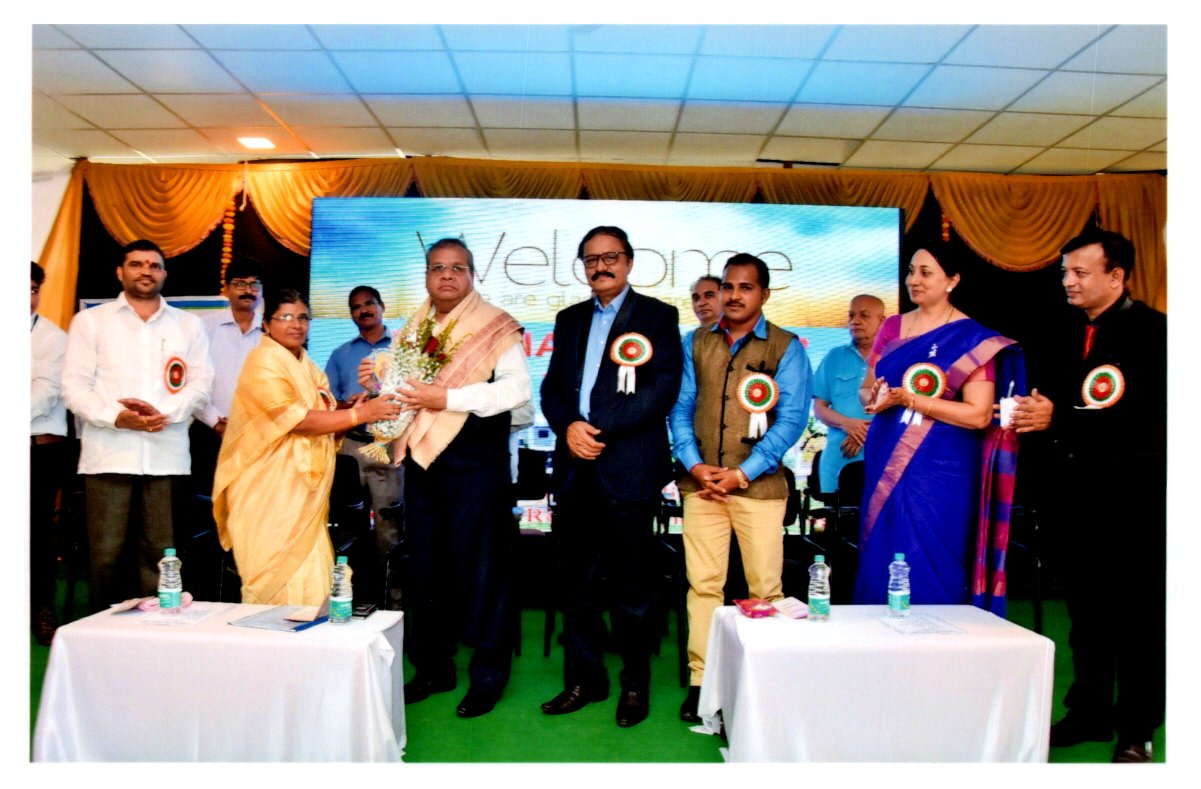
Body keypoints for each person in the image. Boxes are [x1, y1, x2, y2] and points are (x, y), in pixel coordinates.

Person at [1009, 228, 1165, 763]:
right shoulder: (1059, 331)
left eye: (1080, 272)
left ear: (1116, 276)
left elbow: (1152, 421)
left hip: (1135, 505)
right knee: (1087, 617)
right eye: (1064, 272)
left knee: (1139, 622)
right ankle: (1089, 712)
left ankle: (1137, 729)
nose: (1068, 282)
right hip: (1072, 504)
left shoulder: (1157, 334)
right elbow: (1049, 409)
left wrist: (1060, 420)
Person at [358, 238, 530, 719]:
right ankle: (434, 667)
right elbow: (405, 393)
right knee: (427, 568)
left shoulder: (495, 325)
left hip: (477, 463)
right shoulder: (414, 327)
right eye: (438, 268)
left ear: (472, 275)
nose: (447, 275)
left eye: (457, 268)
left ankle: (488, 676)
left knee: (483, 571)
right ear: (427, 276)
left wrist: (448, 399)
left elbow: (517, 389)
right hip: (423, 463)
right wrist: (379, 388)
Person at [539, 225, 683, 728]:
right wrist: (569, 425)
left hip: (630, 468)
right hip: (576, 468)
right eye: (591, 259)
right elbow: (553, 389)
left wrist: (596, 429)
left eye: (610, 257)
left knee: (633, 587)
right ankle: (585, 680)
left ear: (629, 261)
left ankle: (635, 685)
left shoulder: (658, 316)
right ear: (583, 266)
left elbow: (662, 390)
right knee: (577, 584)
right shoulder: (570, 318)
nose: (601, 267)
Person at [669, 253, 812, 723]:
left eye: (745, 287)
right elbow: (681, 407)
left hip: (758, 489)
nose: (733, 295)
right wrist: (695, 464)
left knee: (765, 589)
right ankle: (701, 681)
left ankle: (765, 680)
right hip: (702, 487)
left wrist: (742, 473)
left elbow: (791, 420)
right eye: (728, 286)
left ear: (764, 294)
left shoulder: (787, 347)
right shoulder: (696, 342)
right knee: (703, 586)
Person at [852, 246, 1023, 611]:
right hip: (885, 450)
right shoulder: (892, 327)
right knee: (882, 548)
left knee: (930, 552)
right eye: (911, 271)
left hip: (941, 466)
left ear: (953, 280)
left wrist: (910, 400)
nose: (913, 280)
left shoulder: (972, 338)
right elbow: (867, 387)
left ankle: (937, 639)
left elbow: (978, 415)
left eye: (926, 273)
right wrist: (874, 398)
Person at [212, 289, 402, 607]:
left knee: (315, 588)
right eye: (286, 317)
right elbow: (295, 419)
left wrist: (352, 407)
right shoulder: (262, 362)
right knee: (271, 586)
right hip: (268, 493)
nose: (296, 324)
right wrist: (360, 415)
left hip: (305, 495)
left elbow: (323, 412)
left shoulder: (307, 365)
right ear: (267, 324)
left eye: (302, 317)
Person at [62, 239, 214, 612]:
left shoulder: (188, 325)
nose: (146, 271)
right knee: (107, 554)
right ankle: (102, 633)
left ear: (164, 273)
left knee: (162, 555)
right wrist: (116, 417)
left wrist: (162, 414)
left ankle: (157, 634)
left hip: (166, 456)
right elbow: (74, 388)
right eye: (136, 264)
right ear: (120, 272)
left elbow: (201, 385)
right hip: (108, 455)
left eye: (154, 265)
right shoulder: (91, 322)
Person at [326, 285, 404, 609]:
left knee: (391, 531)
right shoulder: (340, 355)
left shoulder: (402, 348)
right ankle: (351, 600)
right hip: (351, 449)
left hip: (389, 447)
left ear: (382, 306)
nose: (364, 310)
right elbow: (328, 405)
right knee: (348, 531)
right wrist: (355, 404)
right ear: (351, 315)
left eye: (369, 303)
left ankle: (394, 606)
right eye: (356, 307)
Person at [191, 258, 264, 494]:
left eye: (254, 285)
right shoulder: (203, 327)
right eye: (240, 283)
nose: (248, 291)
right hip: (208, 434)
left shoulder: (271, 333)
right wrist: (215, 422)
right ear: (226, 288)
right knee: (207, 507)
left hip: (259, 438)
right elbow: (189, 381)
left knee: (251, 505)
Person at [812, 294, 885, 495]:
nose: (855, 321)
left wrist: (865, 433)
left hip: (883, 459)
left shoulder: (894, 357)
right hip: (838, 459)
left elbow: (904, 408)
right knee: (836, 515)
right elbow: (819, 409)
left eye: (864, 315)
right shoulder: (834, 357)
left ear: (882, 321)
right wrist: (848, 424)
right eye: (851, 315)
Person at [30, 262, 68, 644]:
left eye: (32, 290)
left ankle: (41, 606)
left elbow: (44, 394)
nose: (27, 297)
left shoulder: (53, 337)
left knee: (38, 533)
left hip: (37, 449)